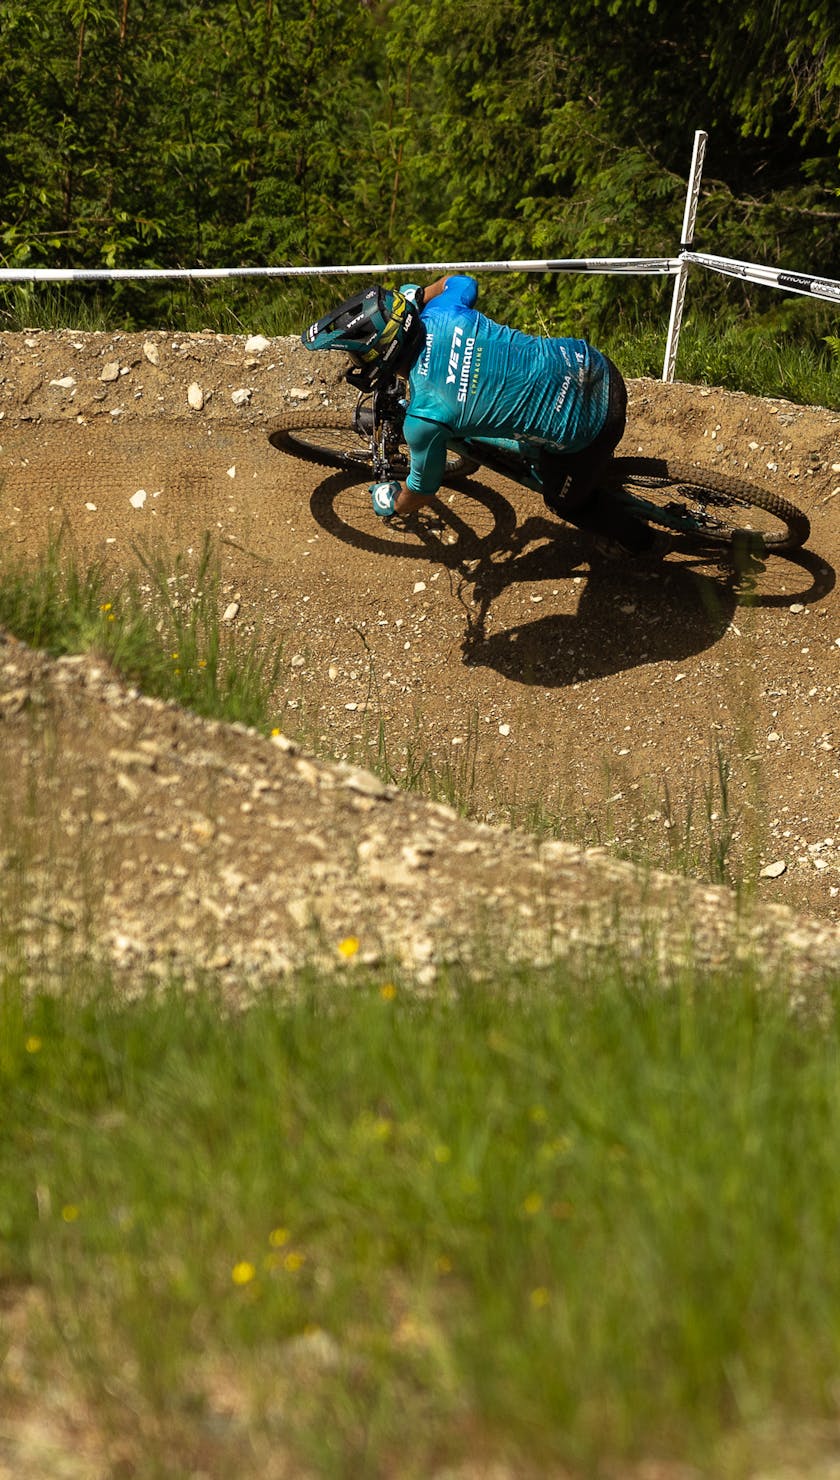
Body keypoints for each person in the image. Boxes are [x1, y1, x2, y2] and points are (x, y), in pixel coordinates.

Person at [301, 274, 658, 556]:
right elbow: (462, 282)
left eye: (359, 358)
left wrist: (393, 502)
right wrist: (420, 297)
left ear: (384, 355)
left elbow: (422, 491)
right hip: (592, 364)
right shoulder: (444, 313)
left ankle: (643, 543)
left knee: (564, 503)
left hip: (594, 425)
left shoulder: (425, 418)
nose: (356, 366)